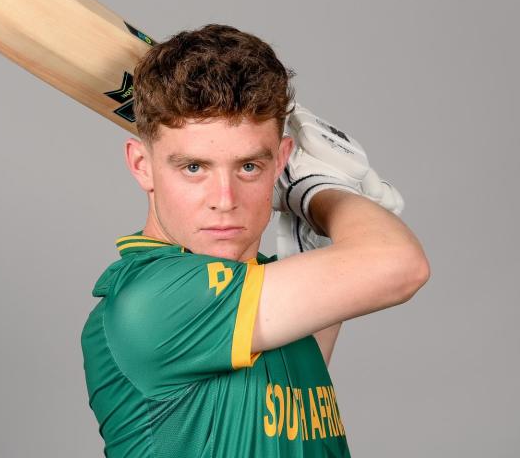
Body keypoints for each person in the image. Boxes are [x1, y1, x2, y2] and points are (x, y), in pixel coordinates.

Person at [81, 24, 429, 457]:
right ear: (142, 165)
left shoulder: (258, 290)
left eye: (248, 166)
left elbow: (293, 400)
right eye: (194, 168)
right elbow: (400, 266)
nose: (224, 200)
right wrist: (320, 192)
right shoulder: (154, 299)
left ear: (279, 160)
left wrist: (305, 240)